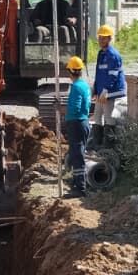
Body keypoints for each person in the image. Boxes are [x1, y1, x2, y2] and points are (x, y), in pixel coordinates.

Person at [92, 24, 127, 147]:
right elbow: (99, 73)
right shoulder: (101, 53)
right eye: (100, 37)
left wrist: (106, 91)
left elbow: (113, 75)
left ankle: (108, 146)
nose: (101, 40)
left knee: (108, 117)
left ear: (109, 39)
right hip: (102, 91)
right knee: (97, 116)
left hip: (111, 91)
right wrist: (95, 89)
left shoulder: (113, 55)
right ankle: (97, 144)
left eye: (104, 38)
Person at [63, 55, 92, 197]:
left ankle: (80, 188)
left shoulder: (75, 87)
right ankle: (76, 183)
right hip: (84, 122)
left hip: (76, 123)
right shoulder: (85, 85)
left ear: (70, 72)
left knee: (77, 155)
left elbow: (75, 107)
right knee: (77, 154)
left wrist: (63, 111)